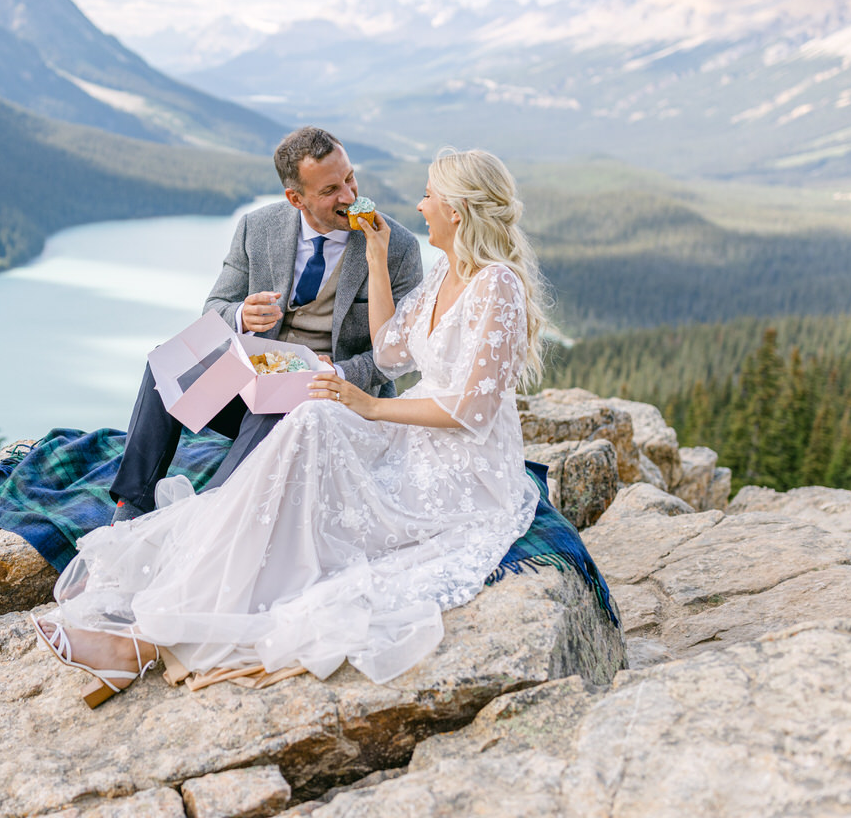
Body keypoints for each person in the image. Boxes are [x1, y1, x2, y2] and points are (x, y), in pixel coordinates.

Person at [35, 148, 549, 705]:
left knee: (311, 417)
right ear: (295, 196)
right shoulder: (441, 268)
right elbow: (394, 349)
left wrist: (366, 405)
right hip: (379, 417)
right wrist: (367, 265)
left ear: (456, 210)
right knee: (263, 399)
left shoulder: (494, 284)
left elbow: (469, 411)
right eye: (334, 188)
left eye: (429, 194)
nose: (417, 205)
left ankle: (140, 642)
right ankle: (151, 535)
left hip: (460, 462)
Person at [106, 126, 423, 522]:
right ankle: (131, 504)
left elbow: (399, 357)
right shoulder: (256, 228)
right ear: (296, 199)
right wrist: (240, 315)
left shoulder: (399, 246)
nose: (349, 196)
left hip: (334, 402)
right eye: (329, 191)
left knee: (276, 405)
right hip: (254, 383)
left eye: (349, 178)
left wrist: (338, 373)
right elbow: (215, 307)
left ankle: (207, 518)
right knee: (162, 365)